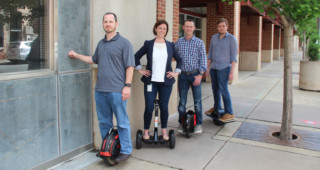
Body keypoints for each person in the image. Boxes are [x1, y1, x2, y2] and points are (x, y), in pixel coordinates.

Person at [68, 12, 134, 162]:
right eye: (105, 22)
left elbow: (130, 66)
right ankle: (107, 148)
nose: (108, 24)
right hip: (100, 91)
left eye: (111, 21)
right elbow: (93, 59)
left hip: (117, 90)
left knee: (122, 122)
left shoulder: (125, 43)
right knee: (104, 122)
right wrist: (77, 55)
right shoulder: (101, 43)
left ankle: (126, 150)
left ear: (116, 24)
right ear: (103, 24)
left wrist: (127, 86)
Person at [135, 20, 182, 140]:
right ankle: (146, 132)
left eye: (164, 29)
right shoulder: (149, 44)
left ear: (167, 31)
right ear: (155, 29)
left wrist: (176, 72)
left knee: (164, 107)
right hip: (151, 81)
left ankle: (164, 132)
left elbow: (179, 60)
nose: (162, 31)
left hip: (165, 83)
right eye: (160, 28)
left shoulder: (170, 45)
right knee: (149, 107)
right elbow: (136, 56)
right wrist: (140, 69)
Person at [175, 19, 207, 133]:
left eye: (191, 26)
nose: (188, 28)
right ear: (183, 27)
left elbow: (203, 60)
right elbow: (175, 57)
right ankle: (181, 122)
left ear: (194, 28)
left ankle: (198, 124)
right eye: (186, 26)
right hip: (183, 75)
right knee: (182, 101)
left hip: (195, 75)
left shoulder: (199, 42)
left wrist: (200, 75)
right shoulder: (179, 42)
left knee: (197, 102)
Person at [206, 18, 238, 123]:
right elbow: (210, 54)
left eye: (223, 26)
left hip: (224, 68)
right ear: (217, 27)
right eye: (219, 26)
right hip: (214, 68)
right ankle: (217, 107)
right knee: (215, 90)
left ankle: (229, 113)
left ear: (227, 26)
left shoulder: (232, 39)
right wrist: (207, 68)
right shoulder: (214, 38)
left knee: (223, 90)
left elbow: (234, 58)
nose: (221, 28)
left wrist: (232, 72)